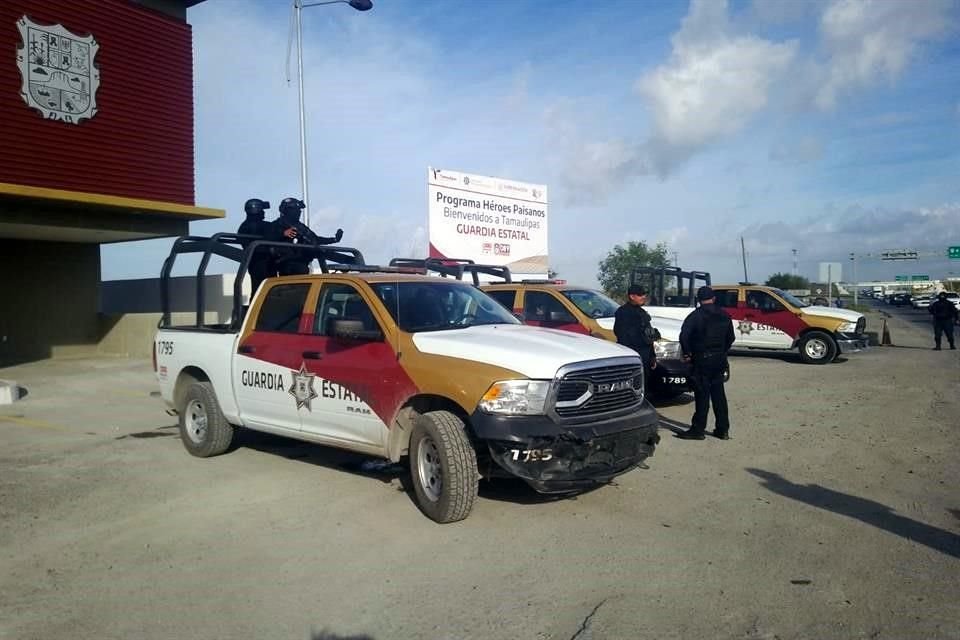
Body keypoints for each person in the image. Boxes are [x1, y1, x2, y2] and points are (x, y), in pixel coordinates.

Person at [676, 286, 735, 441]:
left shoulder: (695, 316)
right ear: (714, 298)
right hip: (719, 361)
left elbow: (684, 336)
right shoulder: (724, 315)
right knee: (719, 396)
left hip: (702, 360)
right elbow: (731, 338)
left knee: (702, 396)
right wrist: (722, 351)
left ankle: (698, 430)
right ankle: (723, 430)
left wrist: (688, 353)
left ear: (699, 300)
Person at [268, 197, 344, 276]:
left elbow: (315, 239)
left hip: (302, 264)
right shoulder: (275, 225)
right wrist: (283, 233)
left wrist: (334, 239)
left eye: (299, 210)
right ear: (287, 210)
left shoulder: (300, 226)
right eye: (296, 209)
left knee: (321, 253)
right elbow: (268, 238)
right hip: (284, 266)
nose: (299, 212)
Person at [613, 284, 658, 374]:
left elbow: (648, 338)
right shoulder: (623, 312)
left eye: (644, 295)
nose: (644, 297)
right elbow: (623, 337)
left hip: (645, 356)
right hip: (633, 357)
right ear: (632, 296)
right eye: (640, 295)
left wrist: (652, 356)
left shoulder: (641, 312)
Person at [236, 198, 275, 294]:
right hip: (260, 262)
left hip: (261, 262)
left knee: (261, 290)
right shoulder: (252, 225)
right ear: (256, 210)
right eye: (262, 210)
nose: (263, 213)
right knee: (261, 290)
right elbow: (272, 231)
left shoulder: (245, 225)